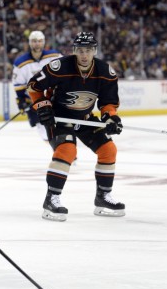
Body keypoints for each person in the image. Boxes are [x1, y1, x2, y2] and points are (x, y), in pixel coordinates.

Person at [27, 32, 125, 222]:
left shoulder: (105, 72)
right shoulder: (60, 67)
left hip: (85, 118)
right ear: (74, 51)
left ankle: (103, 197)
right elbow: (33, 87)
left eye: (88, 50)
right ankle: (52, 199)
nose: (84, 55)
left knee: (108, 149)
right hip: (59, 118)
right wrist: (43, 106)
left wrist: (111, 117)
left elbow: (108, 102)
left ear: (94, 51)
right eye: (80, 50)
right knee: (67, 150)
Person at [12, 31, 62, 142]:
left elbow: (64, 74)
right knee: (44, 131)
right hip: (35, 100)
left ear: (43, 42)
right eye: (34, 41)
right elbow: (18, 84)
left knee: (61, 126)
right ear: (30, 43)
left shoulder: (54, 56)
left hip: (54, 98)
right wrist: (21, 100)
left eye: (39, 41)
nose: (37, 44)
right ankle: (59, 151)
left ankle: (63, 150)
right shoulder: (20, 62)